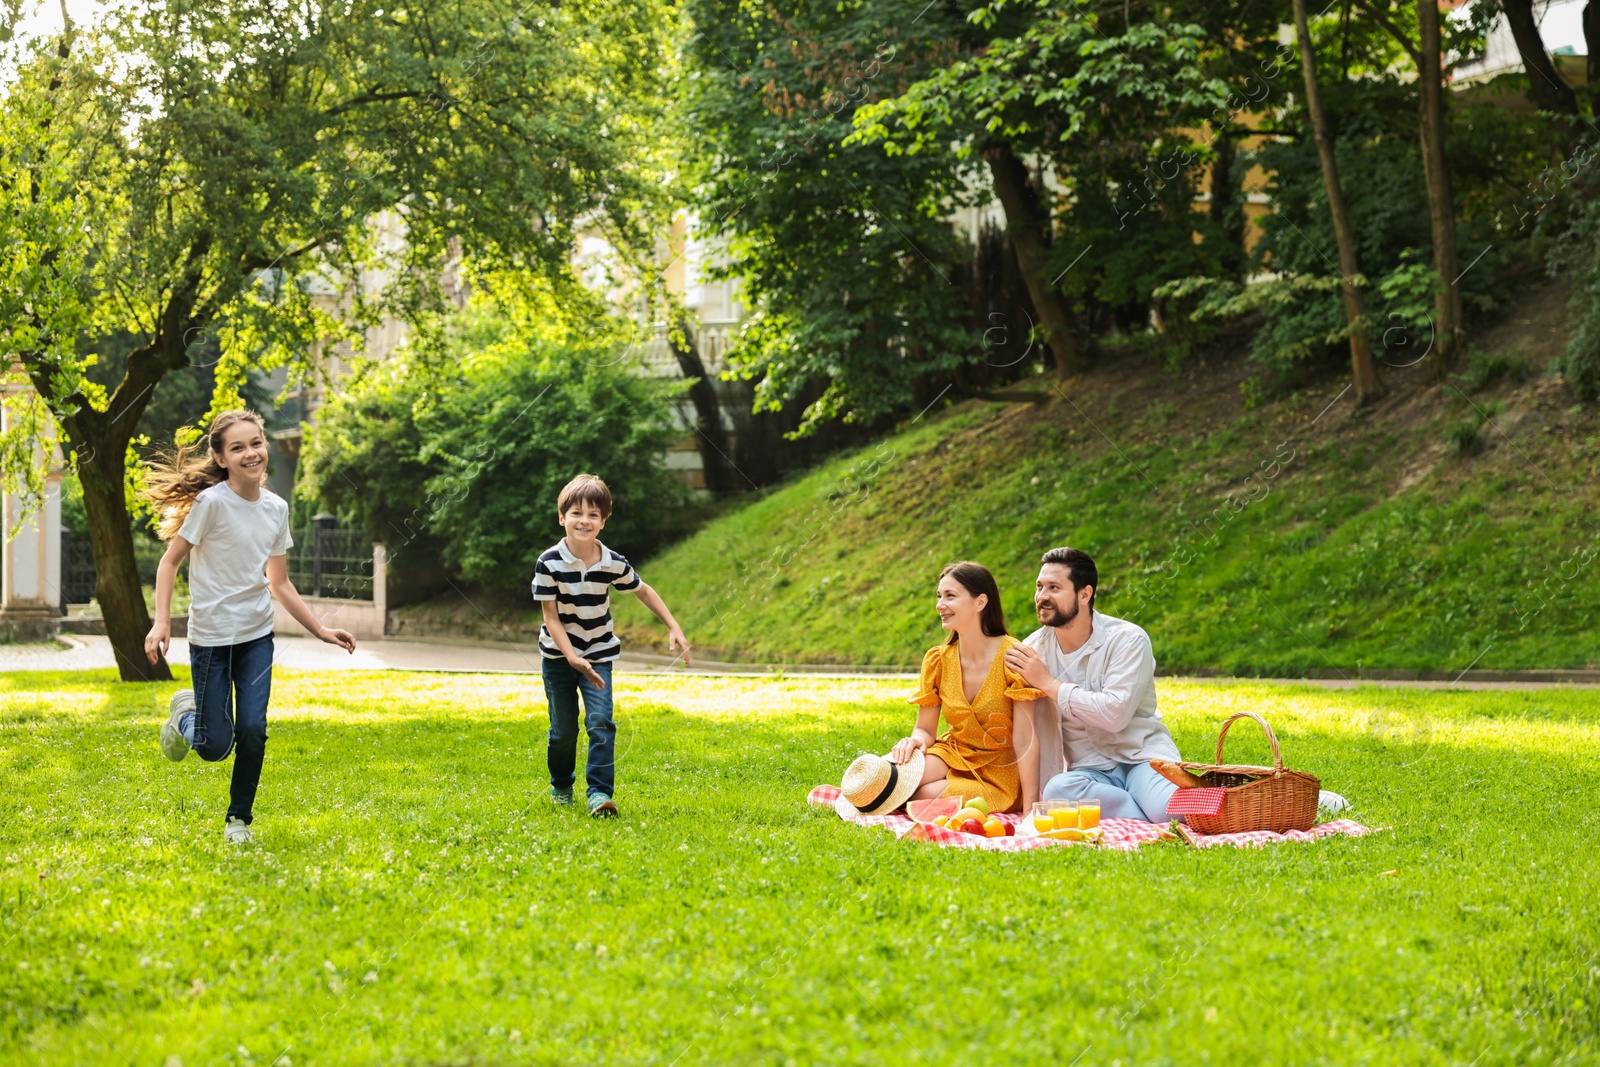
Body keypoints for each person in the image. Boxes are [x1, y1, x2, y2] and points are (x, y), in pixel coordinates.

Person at [144, 410, 357, 845]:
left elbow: (279, 582)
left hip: (257, 638)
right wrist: (161, 621)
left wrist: (320, 630)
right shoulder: (210, 504)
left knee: (253, 729)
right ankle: (187, 716)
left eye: (255, 443)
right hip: (210, 639)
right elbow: (169, 562)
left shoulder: (276, 509)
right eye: (237, 447)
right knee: (213, 746)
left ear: (264, 446)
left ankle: (238, 819)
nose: (250, 453)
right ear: (221, 458)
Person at [533, 473, 690, 818]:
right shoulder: (549, 563)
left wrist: (674, 626)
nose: (584, 520)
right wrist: (572, 657)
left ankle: (599, 793)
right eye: (576, 513)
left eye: (593, 514)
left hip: (599, 654)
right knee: (563, 730)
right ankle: (561, 784)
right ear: (562, 518)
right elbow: (551, 617)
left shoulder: (612, 562)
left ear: (603, 522)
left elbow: (643, 590)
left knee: (601, 722)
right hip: (559, 657)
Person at [1004, 546, 1184, 824]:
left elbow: (1115, 715)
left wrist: (1048, 683)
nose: (1041, 597)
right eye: (1039, 587)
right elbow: (1021, 726)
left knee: (1174, 812)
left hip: (1141, 758)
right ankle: (1143, 812)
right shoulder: (1032, 650)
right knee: (1056, 791)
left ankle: (1145, 806)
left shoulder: (1128, 640)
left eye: (1054, 587)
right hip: (1088, 773)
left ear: (1084, 594)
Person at [888, 561, 1041, 814]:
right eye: (939, 596)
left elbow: (1025, 739)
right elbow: (925, 728)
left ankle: (947, 791)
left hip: (999, 772)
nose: (940, 605)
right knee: (893, 780)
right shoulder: (938, 659)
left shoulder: (1014, 658)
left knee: (918, 795)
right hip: (953, 753)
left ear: (980, 602)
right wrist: (915, 740)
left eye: (950, 596)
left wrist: (1031, 805)